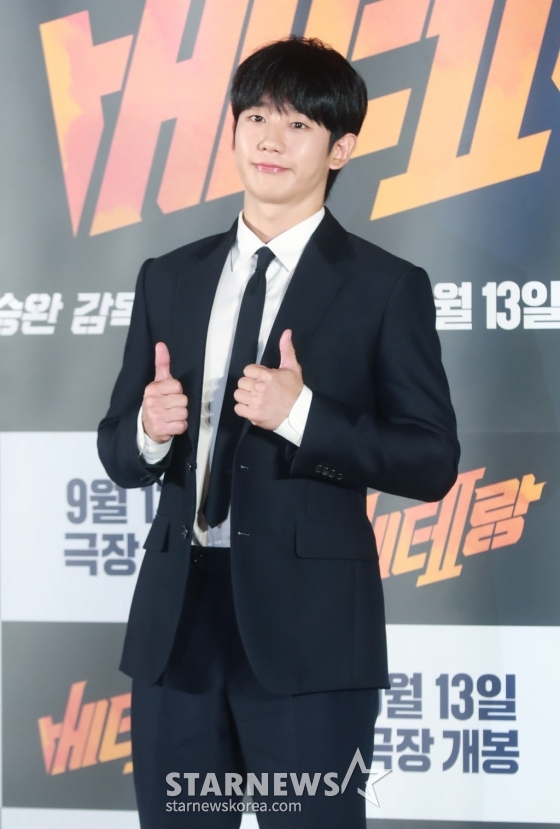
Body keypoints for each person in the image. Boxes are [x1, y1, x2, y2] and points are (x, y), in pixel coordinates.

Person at [98, 36, 459, 828]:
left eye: (298, 125)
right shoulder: (170, 276)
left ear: (341, 148)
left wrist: (302, 415)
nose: (270, 139)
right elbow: (117, 448)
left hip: (310, 636)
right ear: (233, 131)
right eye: (256, 117)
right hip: (177, 629)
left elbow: (431, 458)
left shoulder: (385, 288)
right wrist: (149, 431)